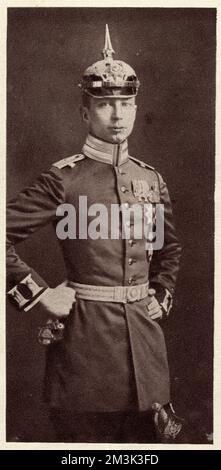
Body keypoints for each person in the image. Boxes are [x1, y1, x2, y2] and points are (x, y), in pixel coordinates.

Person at [6, 25, 182, 443]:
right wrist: (40, 294)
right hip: (85, 354)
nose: (118, 115)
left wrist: (162, 291)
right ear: (85, 113)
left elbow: (167, 247)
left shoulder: (150, 179)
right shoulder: (63, 180)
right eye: (105, 105)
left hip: (147, 352)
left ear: (137, 108)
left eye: (126, 103)